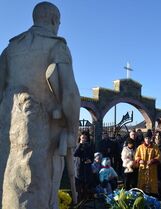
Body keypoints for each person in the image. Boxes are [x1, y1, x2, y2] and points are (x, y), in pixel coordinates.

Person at [0, 2, 80, 208]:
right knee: (39, 192)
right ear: (54, 21)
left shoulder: (10, 49)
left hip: (7, 131)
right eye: (59, 23)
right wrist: (72, 129)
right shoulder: (57, 46)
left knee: (8, 187)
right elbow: (70, 94)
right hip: (43, 135)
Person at [135, 131, 161, 196]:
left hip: (152, 169)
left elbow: (159, 156)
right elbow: (136, 156)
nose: (147, 140)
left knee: (152, 183)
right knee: (142, 183)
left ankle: (153, 197)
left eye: (149, 138)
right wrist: (139, 160)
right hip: (142, 169)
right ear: (144, 139)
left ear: (151, 138)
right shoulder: (140, 147)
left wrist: (153, 160)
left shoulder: (155, 147)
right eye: (146, 138)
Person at [74, 132, 94, 201]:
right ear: (80, 138)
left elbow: (92, 156)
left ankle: (85, 200)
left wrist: (90, 160)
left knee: (86, 186)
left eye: (85, 138)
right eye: (83, 138)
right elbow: (75, 154)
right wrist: (80, 144)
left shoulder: (89, 145)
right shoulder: (77, 145)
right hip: (79, 168)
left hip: (87, 168)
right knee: (79, 186)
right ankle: (79, 200)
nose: (84, 139)